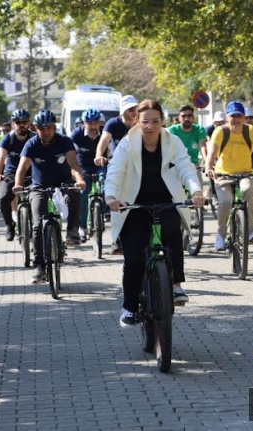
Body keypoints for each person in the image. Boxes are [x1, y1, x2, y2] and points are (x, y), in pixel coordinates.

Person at [104, 99, 205, 327]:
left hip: (165, 201)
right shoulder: (128, 144)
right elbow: (116, 171)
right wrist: (111, 196)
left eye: (156, 121)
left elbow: (185, 166)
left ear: (163, 121)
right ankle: (129, 306)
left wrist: (196, 190)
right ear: (137, 122)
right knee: (134, 259)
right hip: (133, 205)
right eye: (145, 121)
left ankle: (176, 285)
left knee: (173, 235)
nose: (151, 126)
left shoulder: (173, 141)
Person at [12, 110, 86, 284]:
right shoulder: (31, 144)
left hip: (63, 182)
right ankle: (39, 267)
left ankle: (73, 231)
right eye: (42, 128)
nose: (46, 132)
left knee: (75, 194)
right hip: (39, 187)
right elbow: (22, 168)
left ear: (54, 127)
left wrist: (80, 180)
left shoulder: (64, 141)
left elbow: (74, 165)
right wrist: (18, 184)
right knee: (37, 225)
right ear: (35, 128)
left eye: (50, 128)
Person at [204, 101, 253, 250]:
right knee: (226, 202)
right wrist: (209, 168)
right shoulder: (220, 131)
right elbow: (212, 152)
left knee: (247, 191)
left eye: (239, 116)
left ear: (244, 117)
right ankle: (220, 235)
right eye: (232, 116)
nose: (236, 119)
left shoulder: (251, 131)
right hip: (223, 174)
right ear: (227, 117)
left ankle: (252, 231)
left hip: (245, 173)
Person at [94, 94, 139, 255]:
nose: (135, 112)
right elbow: (104, 140)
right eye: (131, 109)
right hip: (117, 166)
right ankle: (116, 240)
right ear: (123, 111)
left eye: (136, 109)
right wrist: (99, 155)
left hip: (136, 167)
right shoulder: (113, 124)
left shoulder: (140, 124)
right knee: (116, 202)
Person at [0, 109, 36, 240]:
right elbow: (0, 159)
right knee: (3, 198)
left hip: (32, 174)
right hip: (11, 173)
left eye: (24, 122)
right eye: (18, 122)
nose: (21, 125)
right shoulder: (8, 139)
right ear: (13, 124)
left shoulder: (35, 137)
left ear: (29, 123)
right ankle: (10, 225)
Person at [71, 108, 105, 242]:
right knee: (83, 195)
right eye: (89, 123)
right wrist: (72, 170)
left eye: (95, 123)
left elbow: (112, 149)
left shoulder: (104, 133)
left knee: (105, 184)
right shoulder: (76, 134)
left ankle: (102, 215)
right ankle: (82, 227)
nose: (93, 126)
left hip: (100, 165)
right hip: (83, 166)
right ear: (84, 123)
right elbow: (69, 152)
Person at [167, 104, 207, 169]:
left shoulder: (199, 129)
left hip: (193, 165)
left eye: (189, 115)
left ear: (193, 117)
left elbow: (202, 146)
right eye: (183, 116)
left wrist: (207, 161)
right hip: (175, 166)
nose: (186, 118)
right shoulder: (172, 130)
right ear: (179, 118)